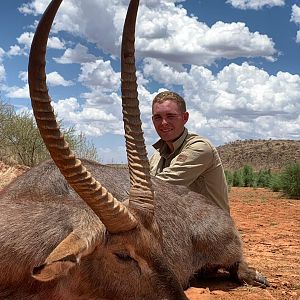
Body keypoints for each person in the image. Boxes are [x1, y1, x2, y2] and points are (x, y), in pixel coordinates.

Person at [149, 91, 230, 212]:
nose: (164, 123)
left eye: (170, 116)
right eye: (158, 118)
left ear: (185, 118)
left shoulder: (200, 148)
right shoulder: (156, 157)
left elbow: (160, 186)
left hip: (211, 228)